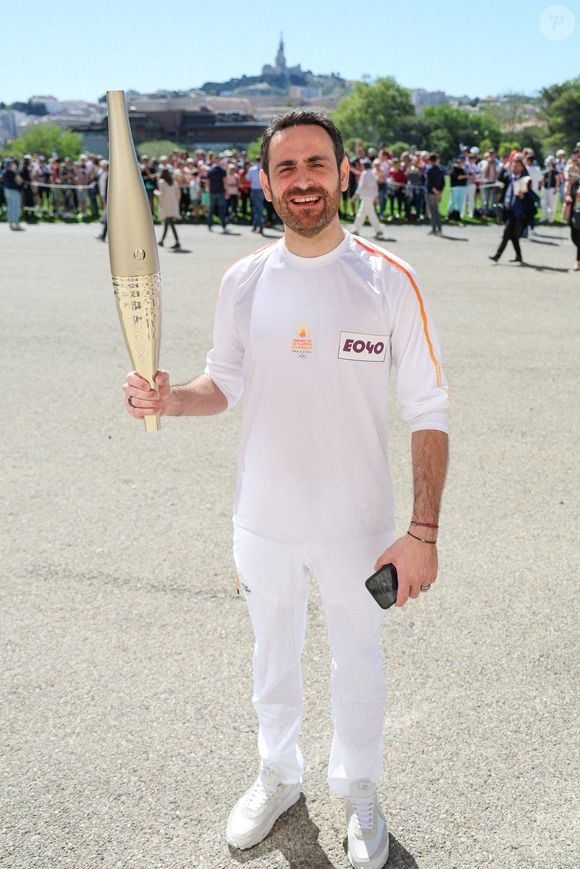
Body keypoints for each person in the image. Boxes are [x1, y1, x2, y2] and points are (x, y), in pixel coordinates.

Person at [123, 109, 449, 869]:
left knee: (358, 663)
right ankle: (278, 773)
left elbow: (429, 406)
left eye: (316, 164)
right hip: (262, 520)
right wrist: (169, 397)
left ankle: (360, 786)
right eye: (286, 169)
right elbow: (222, 383)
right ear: (266, 184)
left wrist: (423, 531)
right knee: (273, 656)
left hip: (359, 527)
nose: (303, 180)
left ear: (342, 171)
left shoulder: (389, 279)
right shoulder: (242, 281)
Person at [489, 155, 533, 264]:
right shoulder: (508, 177)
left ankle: (497, 255)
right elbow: (500, 183)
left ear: (522, 168)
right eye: (514, 165)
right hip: (507, 209)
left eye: (518, 166)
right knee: (513, 236)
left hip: (517, 212)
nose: (515, 168)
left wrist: (523, 196)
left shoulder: (525, 181)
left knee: (506, 234)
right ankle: (519, 256)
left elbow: (529, 197)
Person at [351, 158, 384, 239]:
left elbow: (361, 186)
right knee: (362, 213)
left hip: (366, 196)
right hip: (369, 196)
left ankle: (378, 230)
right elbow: (376, 187)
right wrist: (376, 196)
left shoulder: (365, 173)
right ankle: (356, 229)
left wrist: (355, 196)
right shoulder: (372, 173)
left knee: (370, 213)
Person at [155, 168, 181, 249]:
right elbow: (178, 194)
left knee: (170, 223)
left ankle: (176, 241)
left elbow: (162, 194)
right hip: (173, 204)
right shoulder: (174, 182)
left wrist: (155, 192)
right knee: (167, 222)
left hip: (166, 205)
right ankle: (162, 240)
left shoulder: (161, 182)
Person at [425, 153, 444, 235]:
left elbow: (429, 183)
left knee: (432, 211)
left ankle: (434, 229)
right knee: (436, 211)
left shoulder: (430, 171)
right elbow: (443, 182)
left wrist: (434, 190)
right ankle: (439, 228)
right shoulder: (440, 170)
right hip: (438, 192)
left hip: (431, 192)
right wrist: (439, 191)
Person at [2, 159, 24, 230]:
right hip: (14, 191)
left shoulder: (4, 172)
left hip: (6, 190)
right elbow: (19, 181)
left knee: (10, 207)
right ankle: (16, 223)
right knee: (16, 207)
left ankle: (11, 223)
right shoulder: (13, 172)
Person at [565, 177, 580, 270]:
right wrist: (569, 197)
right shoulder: (576, 182)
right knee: (574, 236)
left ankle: (578, 261)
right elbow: (571, 194)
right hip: (575, 213)